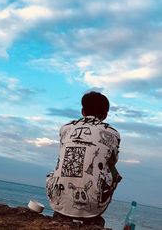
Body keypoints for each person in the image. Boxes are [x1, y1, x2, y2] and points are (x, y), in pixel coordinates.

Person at [46, 91, 122, 227]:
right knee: (114, 174)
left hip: (57, 199)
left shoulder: (65, 129)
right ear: (105, 114)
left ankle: (63, 208)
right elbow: (112, 162)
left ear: (83, 111)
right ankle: (91, 214)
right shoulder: (113, 133)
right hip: (92, 203)